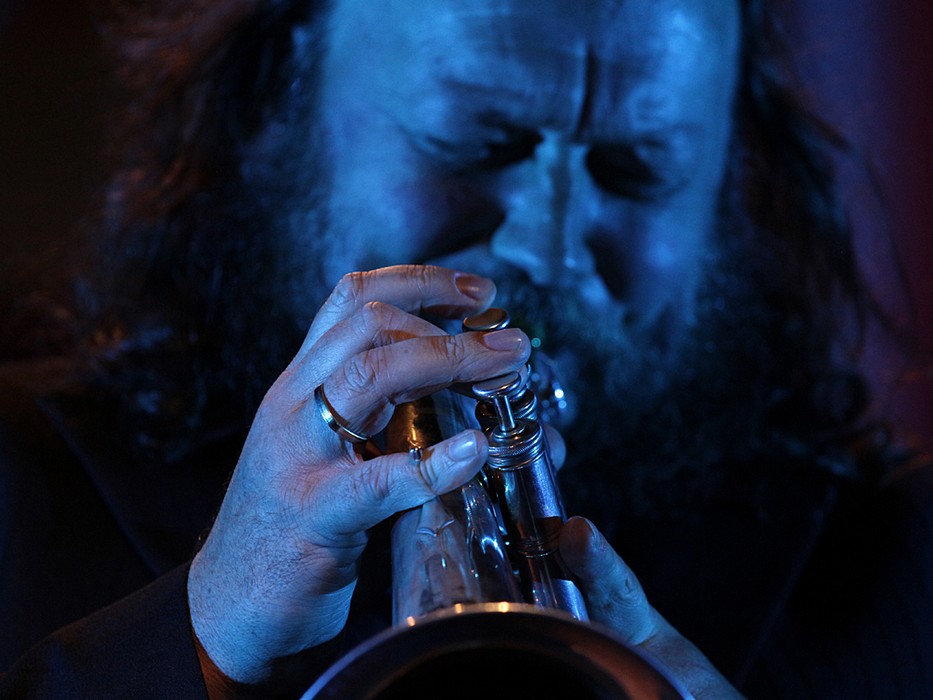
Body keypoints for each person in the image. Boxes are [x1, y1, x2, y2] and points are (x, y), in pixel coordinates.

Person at [1, 0, 931, 697]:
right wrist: (204, 634)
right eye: (476, 142)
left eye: (637, 167)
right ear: (278, 103)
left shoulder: (903, 566)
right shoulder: (19, 491)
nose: (549, 248)